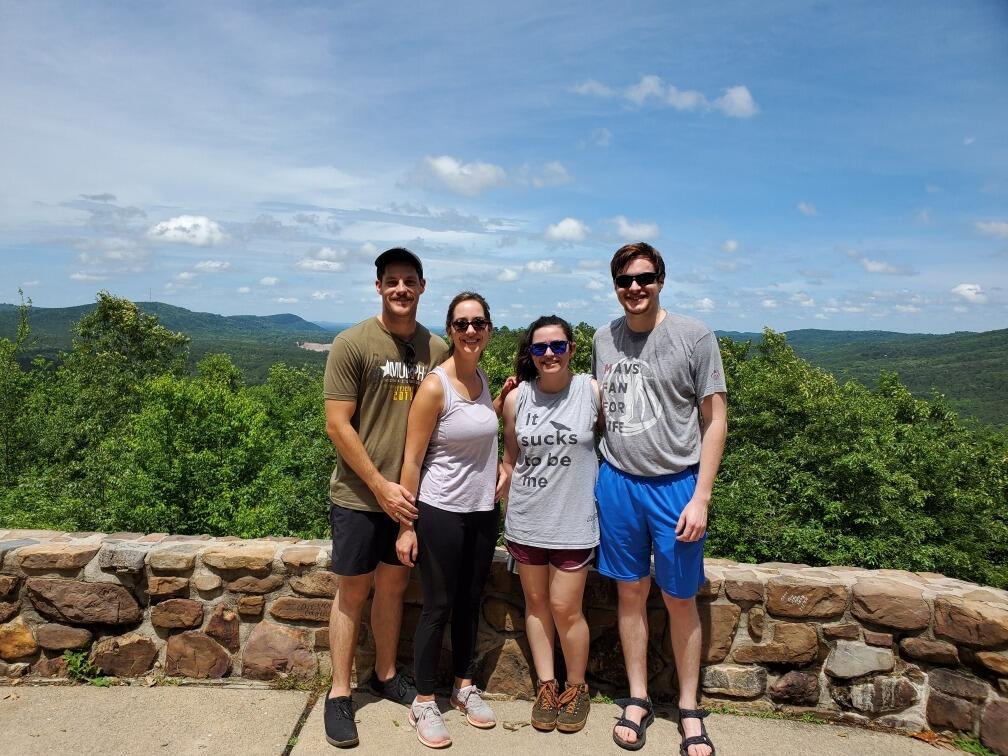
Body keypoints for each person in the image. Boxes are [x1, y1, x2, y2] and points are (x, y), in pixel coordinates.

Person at [593, 242, 727, 756]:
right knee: (630, 594)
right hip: (619, 481)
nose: (635, 288)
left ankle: (690, 707)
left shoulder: (694, 337)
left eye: (644, 278)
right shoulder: (605, 337)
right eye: (625, 280)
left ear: (661, 280)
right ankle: (638, 697)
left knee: (678, 598)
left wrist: (702, 496)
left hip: (676, 484)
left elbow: (714, 420)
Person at [322, 247, 448, 749]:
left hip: (411, 502)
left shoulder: (435, 349)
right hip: (359, 496)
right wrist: (380, 486)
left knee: (394, 589)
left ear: (422, 287)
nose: (400, 289)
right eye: (391, 281)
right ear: (379, 287)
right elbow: (337, 424)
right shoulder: (352, 343)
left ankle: (387, 673)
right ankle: (339, 694)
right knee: (352, 593)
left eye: (408, 281)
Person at [396, 292, 506, 749]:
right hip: (440, 511)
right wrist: (406, 525)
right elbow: (412, 458)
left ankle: (463, 686)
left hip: (481, 512)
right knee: (438, 606)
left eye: (478, 322)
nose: (470, 331)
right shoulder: (436, 385)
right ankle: (424, 701)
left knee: (469, 601)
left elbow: (480, 428)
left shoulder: (482, 380)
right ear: (451, 330)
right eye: (461, 324)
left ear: (489, 329)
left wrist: (504, 400)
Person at [500, 315, 600, 734]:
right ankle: (547, 685)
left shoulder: (591, 391)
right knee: (537, 606)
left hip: (575, 520)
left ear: (572, 349)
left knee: (565, 608)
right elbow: (510, 457)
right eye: (540, 348)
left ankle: (576, 687)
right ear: (531, 354)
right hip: (527, 519)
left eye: (558, 346)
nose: (549, 354)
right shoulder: (517, 398)